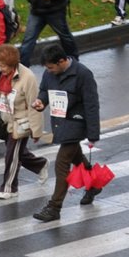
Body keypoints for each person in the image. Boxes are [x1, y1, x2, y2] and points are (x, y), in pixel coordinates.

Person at [30, 44, 101, 222]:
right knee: (76, 157)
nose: (49, 71)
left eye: (51, 67)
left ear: (62, 61)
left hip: (76, 122)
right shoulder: (49, 73)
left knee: (62, 163)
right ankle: (93, 184)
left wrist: (93, 133)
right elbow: (45, 90)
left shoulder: (83, 74)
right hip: (60, 122)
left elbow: (92, 105)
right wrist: (41, 101)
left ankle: (54, 207)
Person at [0, 44, 47, 199]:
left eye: (3, 66)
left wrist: (36, 130)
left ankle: (9, 188)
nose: (1, 69)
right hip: (6, 120)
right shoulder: (2, 74)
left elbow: (35, 106)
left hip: (21, 122)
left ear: (12, 64)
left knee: (11, 156)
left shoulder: (28, 78)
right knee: (17, 153)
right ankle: (40, 164)